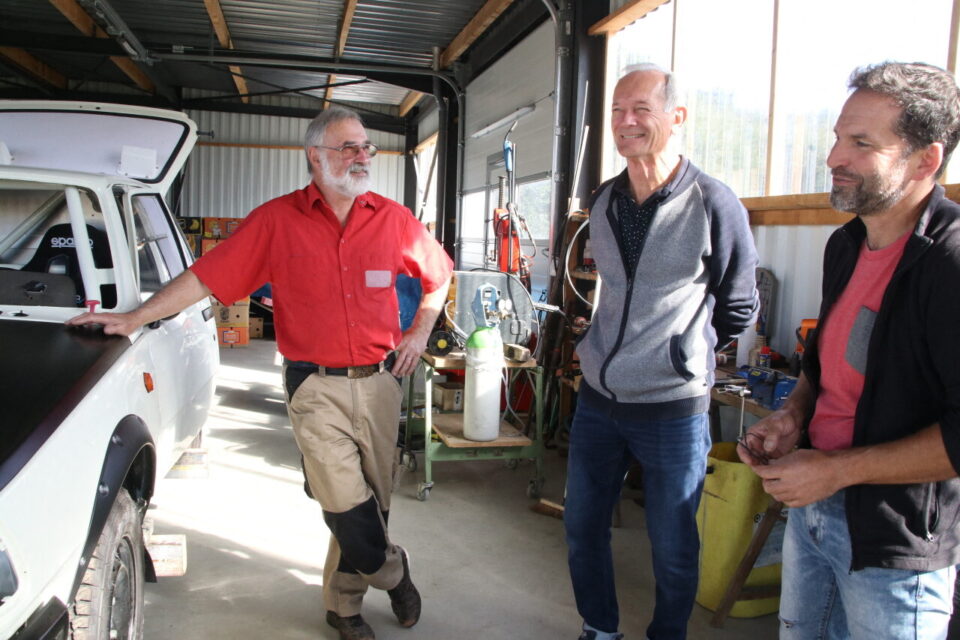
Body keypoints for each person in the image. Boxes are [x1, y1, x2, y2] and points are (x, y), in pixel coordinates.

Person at [68, 105, 453, 640]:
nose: (363, 156)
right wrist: (136, 317)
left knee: (372, 506)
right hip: (315, 386)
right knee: (346, 504)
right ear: (315, 156)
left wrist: (418, 332)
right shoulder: (277, 221)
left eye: (366, 147)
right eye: (349, 147)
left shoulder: (393, 220)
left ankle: (343, 607)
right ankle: (393, 570)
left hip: (381, 380)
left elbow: (439, 276)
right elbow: (206, 278)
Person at [738, 61, 960, 639]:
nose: (836, 156)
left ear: (925, 160)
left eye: (862, 143)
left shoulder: (950, 265)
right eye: (838, 137)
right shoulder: (846, 244)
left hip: (890, 548)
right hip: (812, 515)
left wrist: (836, 471)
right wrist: (794, 415)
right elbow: (823, 364)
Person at [565, 63, 760, 640]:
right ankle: (600, 628)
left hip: (672, 408)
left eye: (641, 109)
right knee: (581, 526)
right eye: (618, 111)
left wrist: (683, 354)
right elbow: (605, 290)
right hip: (599, 400)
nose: (626, 122)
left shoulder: (713, 202)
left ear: (675, 118)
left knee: (674, 543)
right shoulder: (604, 201)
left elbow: (739, 305)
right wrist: (592, 348)